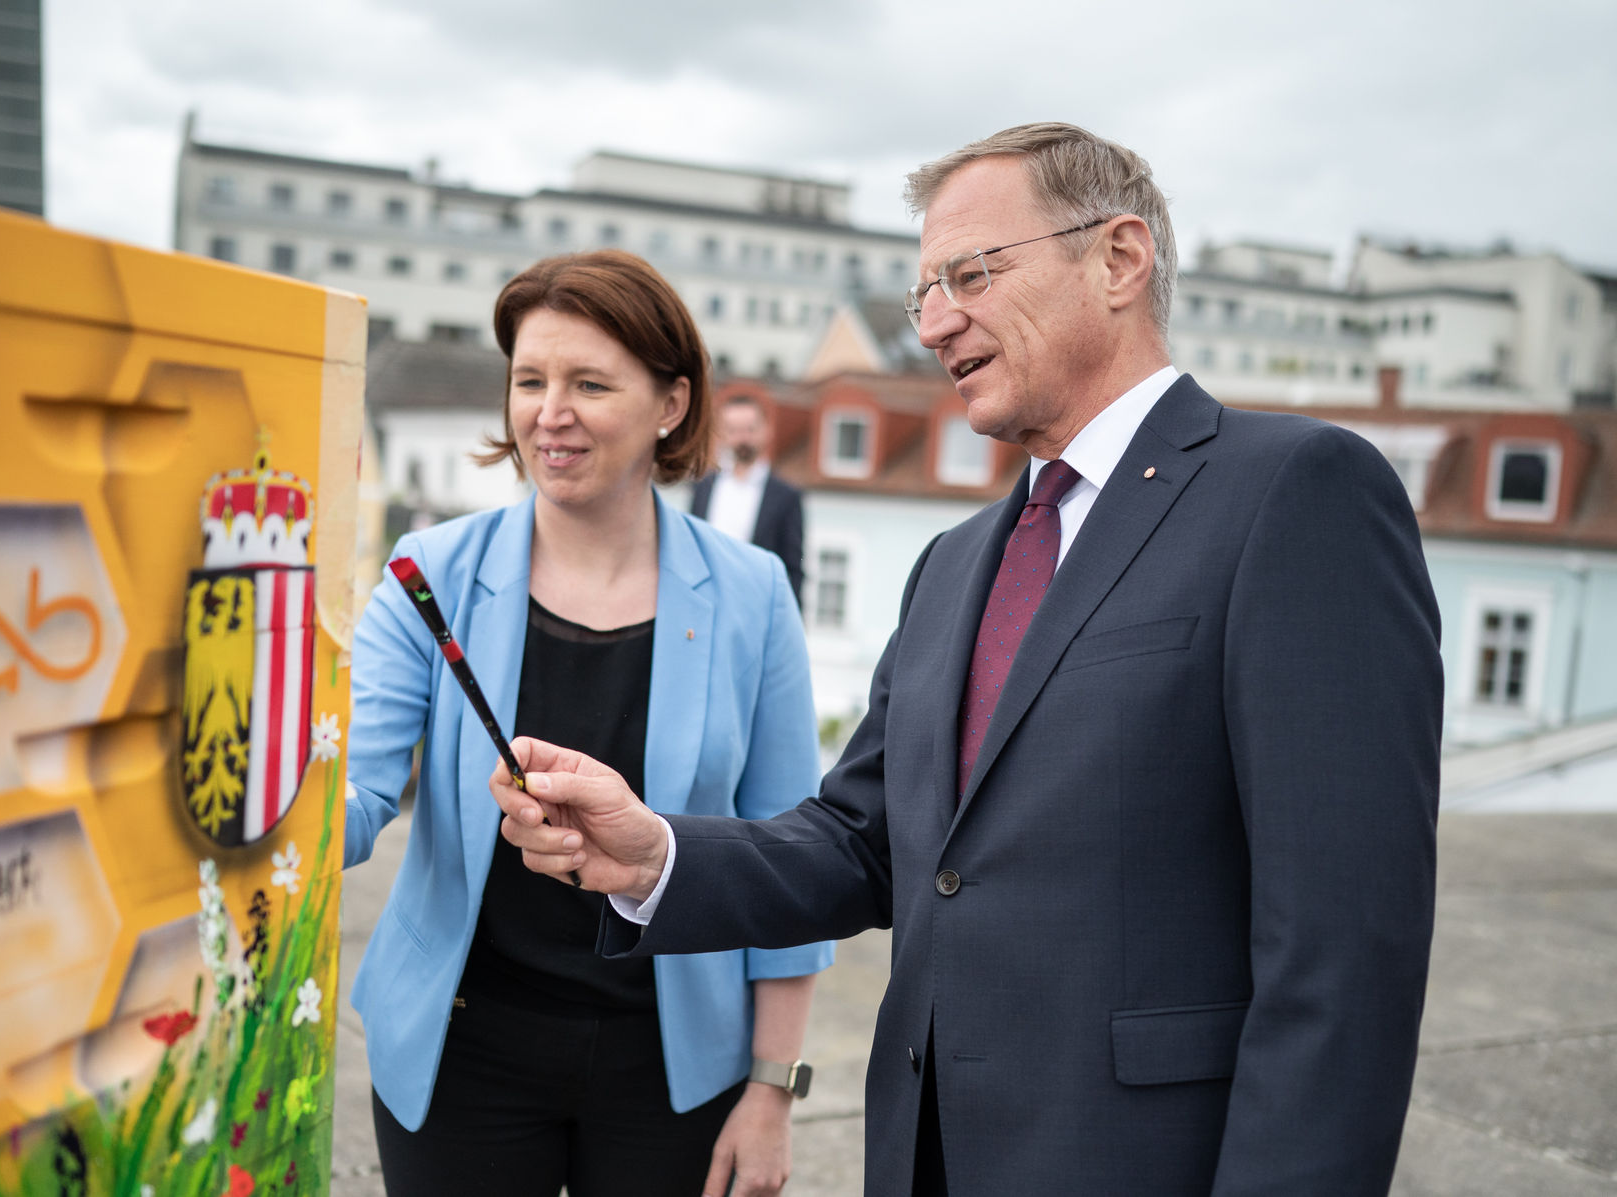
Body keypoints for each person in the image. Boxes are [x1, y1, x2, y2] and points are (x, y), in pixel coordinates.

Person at [492, 124, 1444, 1196]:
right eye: (922, 295)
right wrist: (655, 855)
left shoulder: (1297, 493)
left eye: (970, 275)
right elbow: (863, 843)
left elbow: (1343, 956)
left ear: (1119, 260)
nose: (937, 322)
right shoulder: (953, 564)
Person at [344, 249, 832, 1197]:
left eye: (588, 383)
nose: (547, 412)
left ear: (671, 404)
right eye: (530, 380)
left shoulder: (751, 593)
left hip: (676, 1065)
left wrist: (772, 1091)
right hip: (459, 1050)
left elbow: (791, 860)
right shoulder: (427, 571)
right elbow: (355, 795)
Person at [689, 393, 806, 606]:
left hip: (758, 608)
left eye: (750, 429)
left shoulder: (786, 496)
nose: (743, 438)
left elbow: (794, 568)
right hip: (706, 605)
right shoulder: (702, 488)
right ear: (722, 434)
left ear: (766, 431)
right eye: (733, 430)